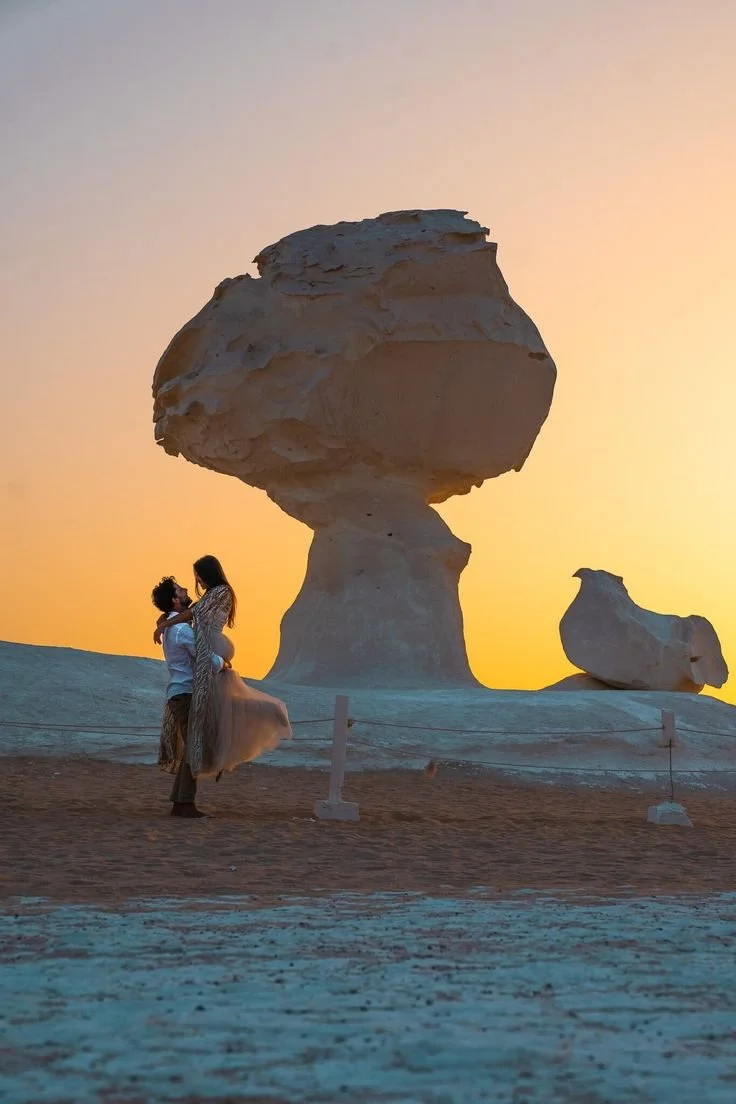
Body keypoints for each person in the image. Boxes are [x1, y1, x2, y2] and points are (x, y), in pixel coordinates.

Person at [155, 555, 292, 779]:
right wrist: (164, 620)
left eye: (197, 575)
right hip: (207, 648)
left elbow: (194, 613)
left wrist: (164, 623)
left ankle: (272, 713)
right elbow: (192, 615)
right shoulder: (210, 596)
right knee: (222, 708)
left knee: (224, 706)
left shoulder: (221, 591)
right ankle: (217, 761)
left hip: (210, 645)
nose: (195, 581)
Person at [152, 576, 227, 817]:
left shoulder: (172, 626)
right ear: (175, 600)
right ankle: (184, 803)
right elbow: (203, 657)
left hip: (180, 693)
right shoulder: (182, 630)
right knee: (194, 747)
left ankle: (181, 802)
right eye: (179, 590)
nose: (185, 590)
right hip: (186, 694)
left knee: (192, 747)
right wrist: (223, 664)